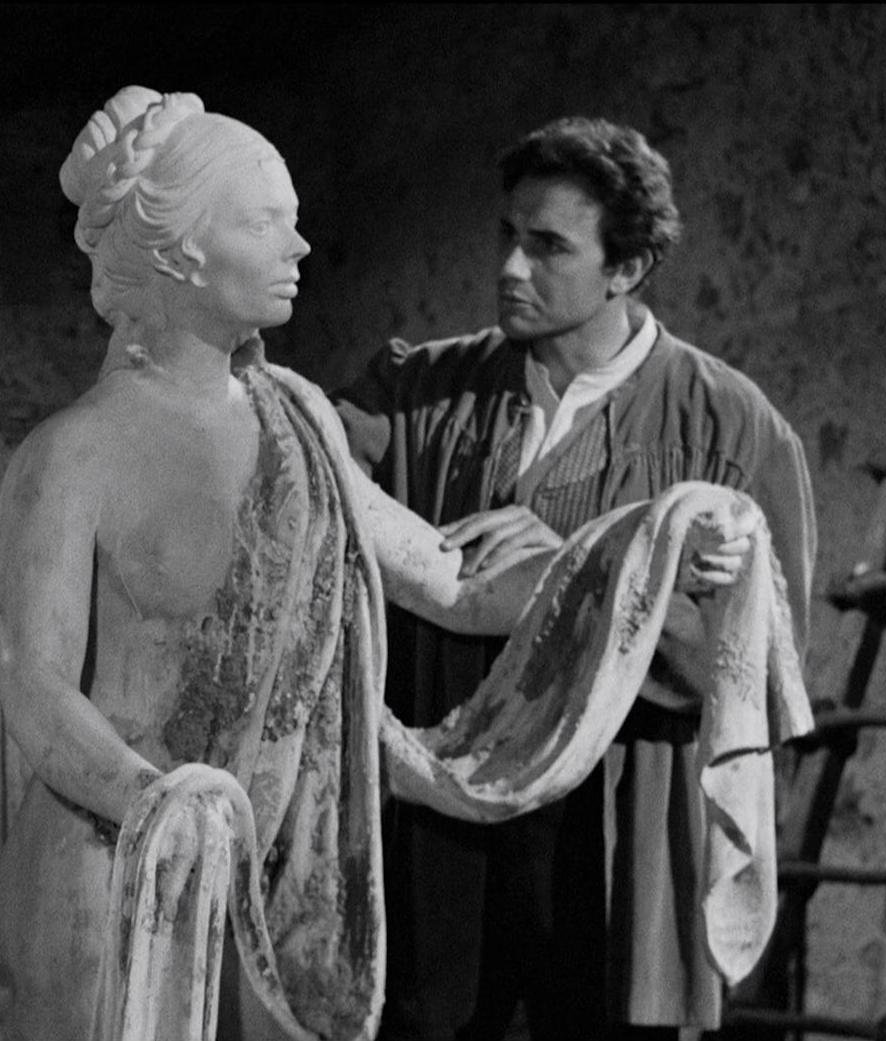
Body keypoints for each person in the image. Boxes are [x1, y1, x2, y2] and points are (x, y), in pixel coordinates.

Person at [0, 89, 758, 1041]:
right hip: (115, 867)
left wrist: (653, 543)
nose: (299, 247)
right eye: (264, 223)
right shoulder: (71, 454)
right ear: (180, 248)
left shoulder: (299, 422)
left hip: (268, 878)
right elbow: (34, 687)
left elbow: (454, 580)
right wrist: (159, 804)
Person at [333, 117, 818, 1040]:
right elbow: (304, 468)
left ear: (626, 267)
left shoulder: (731, 429)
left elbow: (761, 670)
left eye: (548, 246)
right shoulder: (420, 390)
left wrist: (578, 558)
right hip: (440, 828)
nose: (510, 268)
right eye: (507, 235)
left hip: (611, 821)